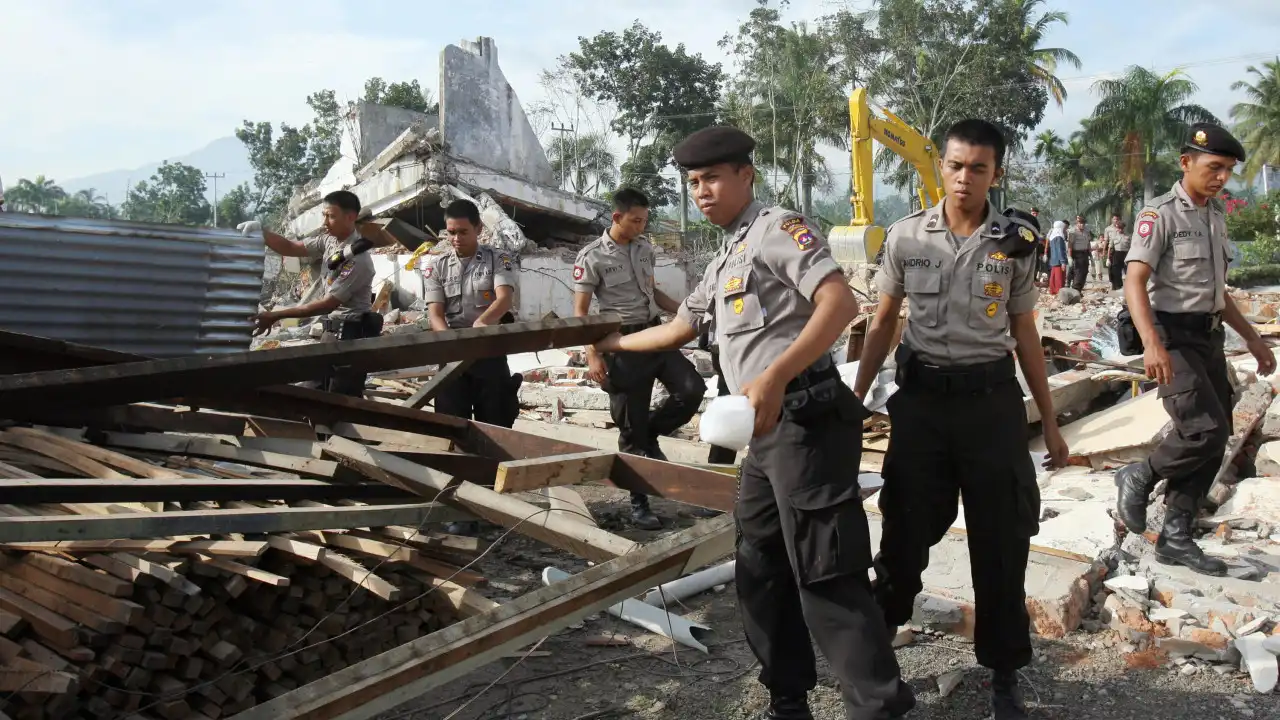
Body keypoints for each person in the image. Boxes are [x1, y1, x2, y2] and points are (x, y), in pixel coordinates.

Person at [594, 125, 912, 720]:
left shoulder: (777, 230)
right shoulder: (724, 256)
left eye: (713, 178)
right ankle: (788, 698)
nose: (702, 192)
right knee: (760, 567)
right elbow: (683, 327)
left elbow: (840, 304)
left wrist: (775, 374)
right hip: (764, 436)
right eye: (693, 183)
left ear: (746, 175)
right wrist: (613, 340)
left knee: (825, 570)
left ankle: (878, 707)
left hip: (806, 421)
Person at [854, 119, 1069, 720]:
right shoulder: (904, 238)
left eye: (978, 167)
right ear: (940, 168)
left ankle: (1003, 672)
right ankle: (877, 654)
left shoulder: (1013, 244)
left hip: (991, 407)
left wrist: (1048, 422)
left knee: (1002, 540)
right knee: (903, 529)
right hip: (922, 406)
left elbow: (1026, 333)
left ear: (995, 174)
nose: (964, 177)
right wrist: (857, 399)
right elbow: (883, 321)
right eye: (955, 165)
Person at [1114, 123, 1277, 576]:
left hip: (1208, 336)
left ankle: (1176, 537)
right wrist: (1151, 345)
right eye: (1214, 167)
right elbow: (1135, 281)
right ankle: (1140, 474)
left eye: (1227, 170)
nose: (1222, 177)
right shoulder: (1160, 214)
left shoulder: (1215, 217)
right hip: (1171, 334)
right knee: (1201, 429)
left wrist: (1253, 338)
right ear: (1186, 162)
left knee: (1217, 432)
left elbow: (1219, 294)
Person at [573, 187, 708, 529]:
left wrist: (686, 312)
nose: (641, 227)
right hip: (621, 343)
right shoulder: (591, 257)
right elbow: (582, 315)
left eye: (645, 221)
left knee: (691, 388)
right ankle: (639, 504)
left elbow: (654, 292)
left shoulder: (644, 248)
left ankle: (652, 435)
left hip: (654, 333)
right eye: (636, 221)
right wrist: (593, 355)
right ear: (617, 217)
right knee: (630, 428)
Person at [244, 190, 382, 396]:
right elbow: (291, 247)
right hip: (331, 333)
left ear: (350, 217)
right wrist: (263, 232)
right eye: (324, 215)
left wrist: (277, 315)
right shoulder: (329, 241)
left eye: (331, 216)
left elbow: (328, 303)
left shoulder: (358, 261)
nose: (325, 221)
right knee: (316, 394)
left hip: (351, 336)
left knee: (343, 399)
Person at [1104, 214, 1129, 291]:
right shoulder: (1108, 229)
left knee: (1127, 271)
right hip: (1115, 252)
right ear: (1112, 219)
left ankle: (1128, 287)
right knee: (1114, 270)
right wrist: (1106, 255)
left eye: (1117, 219)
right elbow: (1107, 242)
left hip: (1125, 254)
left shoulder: (1127, 236)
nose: (1119, 229)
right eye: (1114, 219)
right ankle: (1115, 285)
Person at [1067, 215, 1091, 291]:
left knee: (1085, 271)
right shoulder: (1072, 231)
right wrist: (1069, 256)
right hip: (1076, 253)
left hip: (1085, 253)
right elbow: (1070, 245)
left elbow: (1088, 243)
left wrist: (1091, 256)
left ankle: (1080, 288)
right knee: (1078, 272)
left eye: (1083, 223)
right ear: (1077, 223)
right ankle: (1075, 289)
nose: (1082, 225)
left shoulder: (1087, 231)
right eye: (1080, 223)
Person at [1047, 220, 1068, 295]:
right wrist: (1063, 262)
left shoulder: (1052, 236)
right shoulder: (1059, 237)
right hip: (1059, 261)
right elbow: (1060, 250)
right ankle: (1059, 292)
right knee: (1059, 278)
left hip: (1054, 260)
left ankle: (1053, 291)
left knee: (1053, 277)